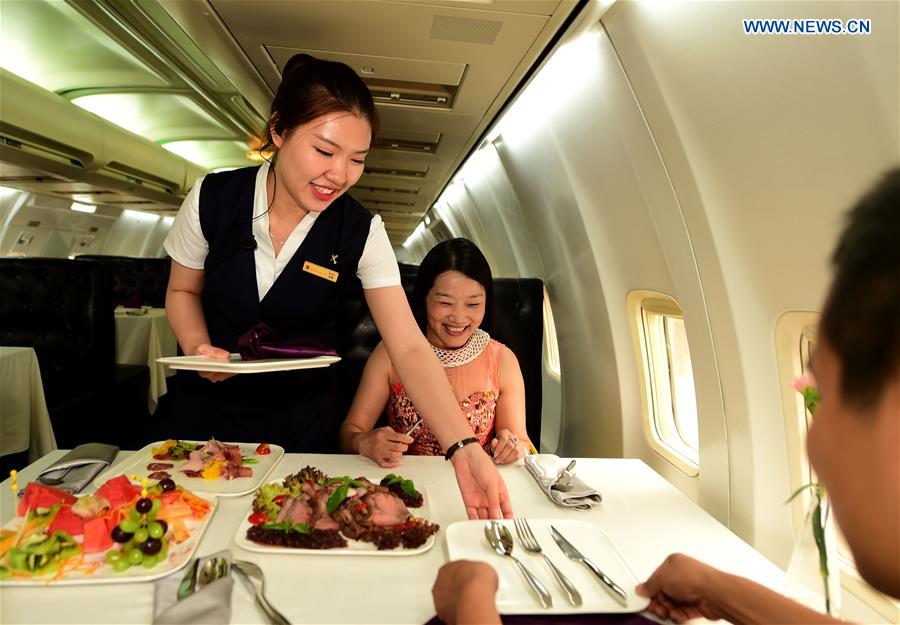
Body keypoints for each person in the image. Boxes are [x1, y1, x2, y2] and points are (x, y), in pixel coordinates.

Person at [430, 168, 900, 624]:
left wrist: (471, 595)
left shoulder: (501, 358)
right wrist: (715, 589)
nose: (813, 442)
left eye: (834, 401)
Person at [164, 53, 511, 519]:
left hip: (301, 429)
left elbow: (409, 346)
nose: (340, 174)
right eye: (325, 152)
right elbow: (182, 291)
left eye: (357, 160)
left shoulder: (362, 230)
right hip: (205, 418)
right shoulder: (213, 198)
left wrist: (463, 448)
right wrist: (197, 346)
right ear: (278, 131)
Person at [339, 238, 533, 467]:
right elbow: (349, 433)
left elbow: (521, 440)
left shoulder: (503, 360)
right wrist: (363, 442)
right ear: (424, 298)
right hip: (406, 479)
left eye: (473, 305)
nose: (458, 318)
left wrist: (514, 447)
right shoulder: (390, 353)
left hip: (477, 478)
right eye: (445, 303)